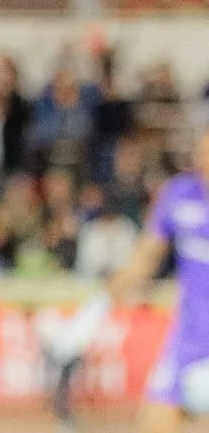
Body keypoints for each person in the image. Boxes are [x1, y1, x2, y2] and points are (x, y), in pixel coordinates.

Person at [49, 130, 209, 433]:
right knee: (154, 423)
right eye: (202, 152)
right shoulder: (179, 194)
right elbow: (144, 258)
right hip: (189, 340)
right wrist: (96, 309)